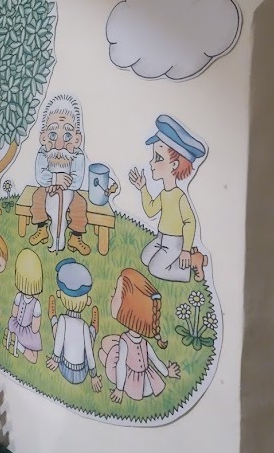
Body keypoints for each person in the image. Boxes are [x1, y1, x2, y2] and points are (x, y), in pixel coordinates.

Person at [129, 114, 207, 282]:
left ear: (174, 165)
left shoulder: (179, 197)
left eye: (158, 158)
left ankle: (193, 261)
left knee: (155, 269)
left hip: (175, 242)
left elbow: (190, 222)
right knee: (145, 258)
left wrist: (185, 249)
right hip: (161, 237)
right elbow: (151, 211)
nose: (151, 163)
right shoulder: (164, 193)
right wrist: (143, 188)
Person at [99, 268, 180, 403]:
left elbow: (122, 365)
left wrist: (119, 389)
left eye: (116, 293)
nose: (112, 296)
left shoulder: (128, 341)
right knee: (108, 346)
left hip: (135, 382)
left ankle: (107, 358)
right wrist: (167, 372)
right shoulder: (141, 342)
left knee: (106, 351)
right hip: (141, 379)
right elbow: (153, 360)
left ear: (128, 312)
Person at [29, 94, 90, 255]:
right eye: (53, 135)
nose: (59, 143)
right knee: (37, 198)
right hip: (47, 188)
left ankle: (75, 237)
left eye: (67, 136)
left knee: (80, 205)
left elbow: (77, 180)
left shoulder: (77, 156)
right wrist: (54, 180)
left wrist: (64, 184)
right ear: (43, 137)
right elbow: (40, 175)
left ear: (77, 139)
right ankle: (42, 228)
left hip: (70, 192)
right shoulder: (43, 153)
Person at [46, 259, 102, 391]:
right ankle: (94, 328)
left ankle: (52, 317)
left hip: (64, 368)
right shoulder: (83, 326)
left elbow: (59, 342)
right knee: (89, 338)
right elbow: (89, 352)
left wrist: (55, 359)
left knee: (58, 330)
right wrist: (93, 376)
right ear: (87, 301)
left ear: (60, 294)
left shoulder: (63, 320)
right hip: (81, 374)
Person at [4, 248, 43, 362]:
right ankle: (19, 346)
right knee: (34, 358)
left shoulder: (18, 296)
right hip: (26, 332)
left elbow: (14, 313)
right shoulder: (36, 304)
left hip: (15, 326)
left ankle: (13, 340)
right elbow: (35, 328)